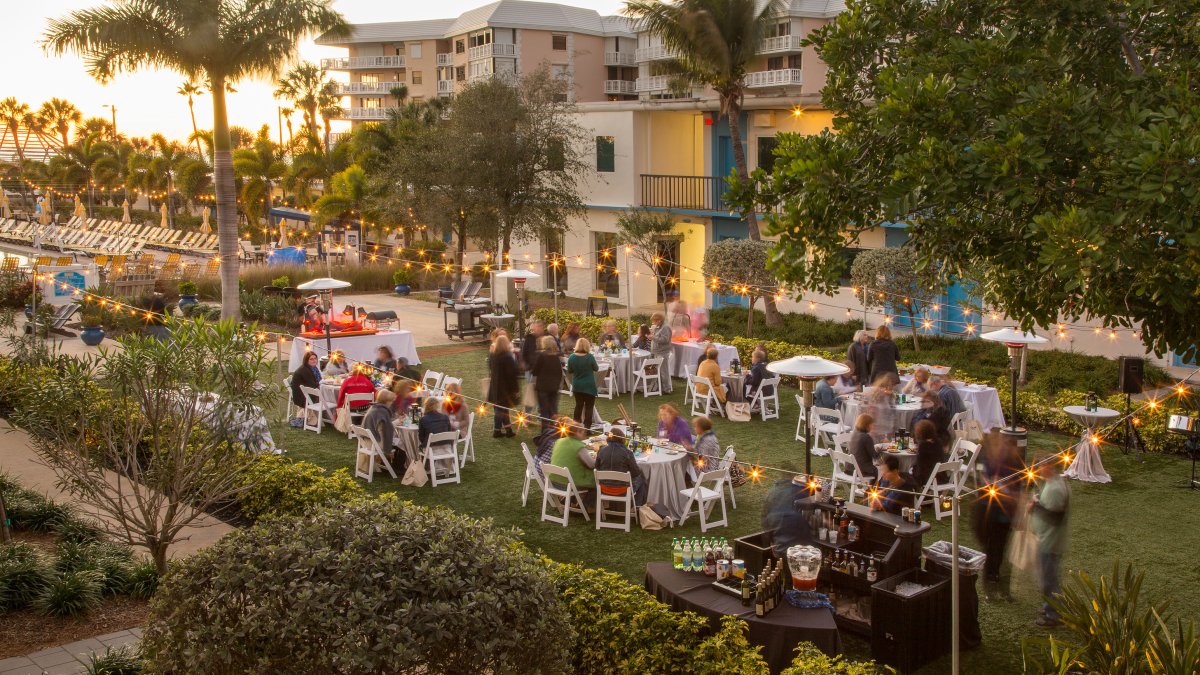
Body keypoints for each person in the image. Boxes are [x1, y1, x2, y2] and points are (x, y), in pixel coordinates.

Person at [974, 436, 1023, 601]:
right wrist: (990, 483)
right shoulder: (986, 459)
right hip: (988, 514)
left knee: (1003, 553)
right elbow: (980, 478)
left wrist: (1008, 491)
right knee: (990, 551)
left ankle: (1004, 589)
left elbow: (1019, 484)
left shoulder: (1013, 462)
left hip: (1005, 514)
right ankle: (990, 588)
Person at [1031, 458, 1070, 626]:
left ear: (1049, 467)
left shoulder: (1055, 488)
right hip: (1048, 539)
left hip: (1050, 541)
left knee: (1049, 579)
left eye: (1041, 466)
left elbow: (1055, 517)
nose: (1038, 469)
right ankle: (1052, 607)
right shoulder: (1053, 482)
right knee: (1050, 576)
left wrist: (1035, 506)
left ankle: (1052, 615)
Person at [594, 428, 648, 506]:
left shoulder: (601, 450)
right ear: (622, 439)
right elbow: (635, 473)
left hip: (603, 488)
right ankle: (637, 507)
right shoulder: (627, 452)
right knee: (642, 478)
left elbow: (597, 468)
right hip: (622, 490)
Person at [549, 418, 596, 503]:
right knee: (597, 481)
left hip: (553, 482)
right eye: (583, 432)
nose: (585, 434)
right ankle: (587, 507)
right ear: (578, 432)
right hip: (570, 484)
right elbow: (592, 465)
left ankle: (573, 501)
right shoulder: (578, 446)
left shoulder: (559, 441)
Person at [488, 334, 520, 437]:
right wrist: (516, 389)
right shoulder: (507, 357)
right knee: (501, 410)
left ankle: (508, 429)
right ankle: (497, 430)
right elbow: (512, 374)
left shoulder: (492, 355)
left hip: (495, 386)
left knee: (501, 409)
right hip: (505, 388)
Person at [531, 335, 564, 431]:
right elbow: (560, 372)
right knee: (553, 410)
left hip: (543, 387)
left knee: (544, 411)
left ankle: (545, 432)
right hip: (554, 387)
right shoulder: (557, 356)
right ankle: (555, 431)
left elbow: (535, 371)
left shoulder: (541, 356)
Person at [362, 389, 401, 468]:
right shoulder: (382, 411)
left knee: (397, 439)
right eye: (391, 401)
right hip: (376, 443)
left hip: (366, 441)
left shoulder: (373, 408)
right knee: (401, 442)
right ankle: (399, 466)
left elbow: (384, 427)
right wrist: (398, 421)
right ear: (386, 401)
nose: (391, 403)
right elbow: (387, 429)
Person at [567, 337, 599, 431]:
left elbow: (569, 370)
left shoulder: (572, 357)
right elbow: (596, 368)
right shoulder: (589, 357)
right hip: (589, 385)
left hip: (577, 385)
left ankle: (575, 426)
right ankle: (587, 428)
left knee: (578, 405)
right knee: (589, 406)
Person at [289, 351, 321, 427]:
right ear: (306, 360)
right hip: (302, 397)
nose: (314, 360)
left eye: (315, 358)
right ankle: (325, 416)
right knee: (325, 396)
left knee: (323, 393)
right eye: (311, 359)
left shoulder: (312, 368)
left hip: (305, 393)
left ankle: (322, 416)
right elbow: (313, 385)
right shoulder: (305, 370)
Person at [911, 419, 946, 487]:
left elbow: (920, 466)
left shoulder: (923, 446)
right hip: (940, 476)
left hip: (927, 478)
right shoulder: (938, 442)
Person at [849, 413, 879, 480]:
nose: (872, 426)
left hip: (849, 468)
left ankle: (868, 488)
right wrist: (881, 449)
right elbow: (875, 456)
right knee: (877, 470)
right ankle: (871, 489)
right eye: (871, 424)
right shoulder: (866, 437)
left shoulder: (854, 433)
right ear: (866, 425)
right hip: (859, 470)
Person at [650, 312, 674, 393]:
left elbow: (665, 340)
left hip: (663, 352)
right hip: (657, 351)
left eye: (654, 321)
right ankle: (659, 387)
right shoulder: (658, 327)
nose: (653, 323)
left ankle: (666, 389)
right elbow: (657, 337)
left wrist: (653, 338)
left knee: (664, 371)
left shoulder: (665, 327)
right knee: (658, 371)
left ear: (659, 320)